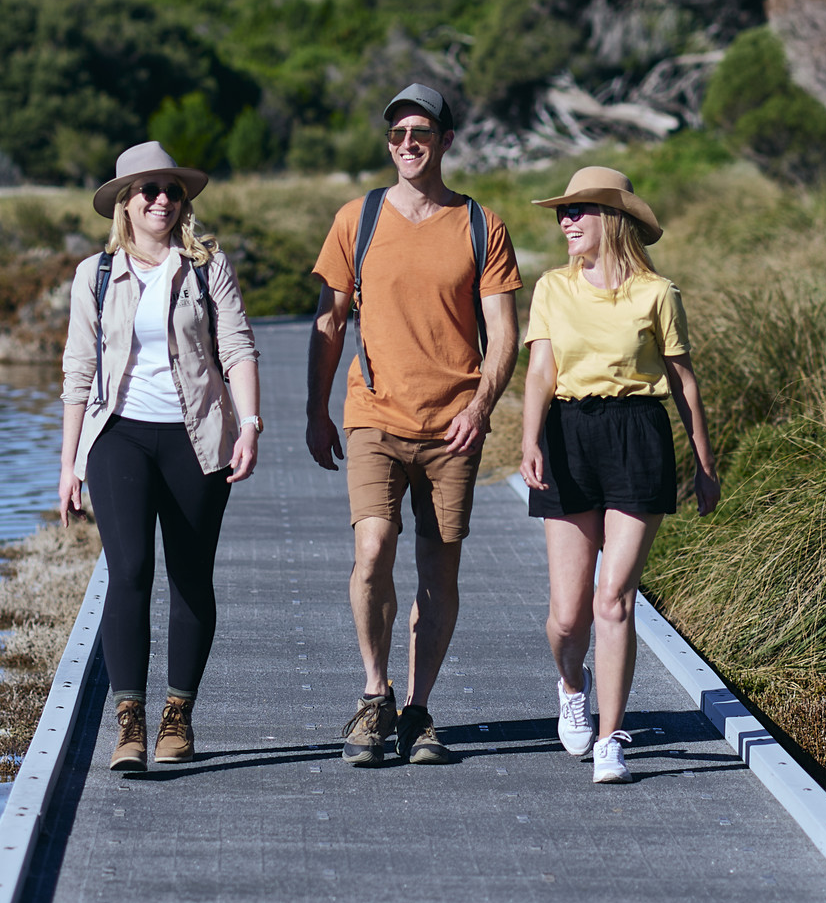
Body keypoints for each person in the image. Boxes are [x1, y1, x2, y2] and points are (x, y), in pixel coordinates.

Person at [306, 81, 521, 769]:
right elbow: (330, 319)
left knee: (438, 572)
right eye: (397, 134)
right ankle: (375, 695)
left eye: (420, 133)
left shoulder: (481, 224)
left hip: (452, 423)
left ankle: (419, 709)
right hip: (373, 413)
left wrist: (479, 408)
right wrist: (315, 409)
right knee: (372, 551)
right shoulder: (357, 217)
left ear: (445, 141)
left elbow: (504, 334)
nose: (407, 144)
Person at [59, 140, 263, 777]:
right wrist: (67, 465)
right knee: (129, 573)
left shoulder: (207, 267)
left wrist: (249, 425)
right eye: (147, 190)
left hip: (197, 437)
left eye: (171, 190)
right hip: (118, 435)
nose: (161, 200)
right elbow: (77, 370)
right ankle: (129, 721)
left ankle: (178, 714)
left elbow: (238, 348)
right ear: (125, 201)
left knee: (191, 577)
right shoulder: (95, 274)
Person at [516, 165, 720, 785]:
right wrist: (529, 440)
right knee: (567, 615)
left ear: (614, 220)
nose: (566, 221)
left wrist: (705, 464)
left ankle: (610, 738)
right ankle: (571, 686)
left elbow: (683, 381)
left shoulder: (658, 293)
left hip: (638, 435)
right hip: (569, 436)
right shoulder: (552, 286)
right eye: (563, 212)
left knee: (615, 599)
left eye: (580, 211)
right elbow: (541, 374)